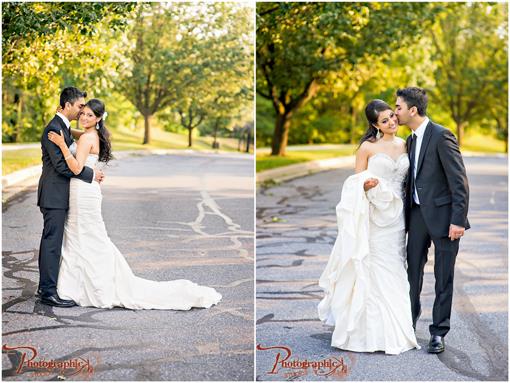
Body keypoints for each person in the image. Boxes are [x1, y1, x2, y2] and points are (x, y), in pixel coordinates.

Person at [47, 98, 222, 310]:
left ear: (99, 118)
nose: (84, 117)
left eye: (89, 115)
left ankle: (85, 285)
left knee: (84, 235)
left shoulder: (86, 139)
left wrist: (60, 144)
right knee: (90, 236)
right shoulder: (93, 135)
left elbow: (75, 168)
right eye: (83, 113)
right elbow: (82, 136)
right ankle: (93, 281)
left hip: (82, 191)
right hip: (88, 192)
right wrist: (68, 131)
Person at [318, 99, 419, 355]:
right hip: (374, 215)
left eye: (392, 117)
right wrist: (365, 187)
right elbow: (355, 183)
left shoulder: (406, 144)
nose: (392, 122)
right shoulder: (366, 148)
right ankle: (366, 330)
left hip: (397, 218)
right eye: (384, 120)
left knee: (395, 266)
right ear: (375, 125)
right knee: (372, 264)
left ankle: (398, 327)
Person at [395, 87, 469, 353]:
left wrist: (458, 220)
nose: (395, 112)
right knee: (412, 272)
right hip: (416, 216)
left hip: (445, 217)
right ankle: (408, 324)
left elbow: (458, 181)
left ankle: (439, 332)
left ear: (413, 110)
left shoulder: (441, 135)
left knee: (443, 276)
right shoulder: (411, 139)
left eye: (399, 107)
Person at [37, 87, 105, 307]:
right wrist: (91, 174)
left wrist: (87, 131)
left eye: (86, 110)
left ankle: (48, 287)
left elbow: (79, 138)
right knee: (52, 243)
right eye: (79, 107)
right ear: (67, 106)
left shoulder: (63, 127)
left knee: (56, 242)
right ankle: (47, 292)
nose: (81, 111)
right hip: (53, 195)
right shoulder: (53, 129)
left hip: (62, 195)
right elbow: (61, 166)